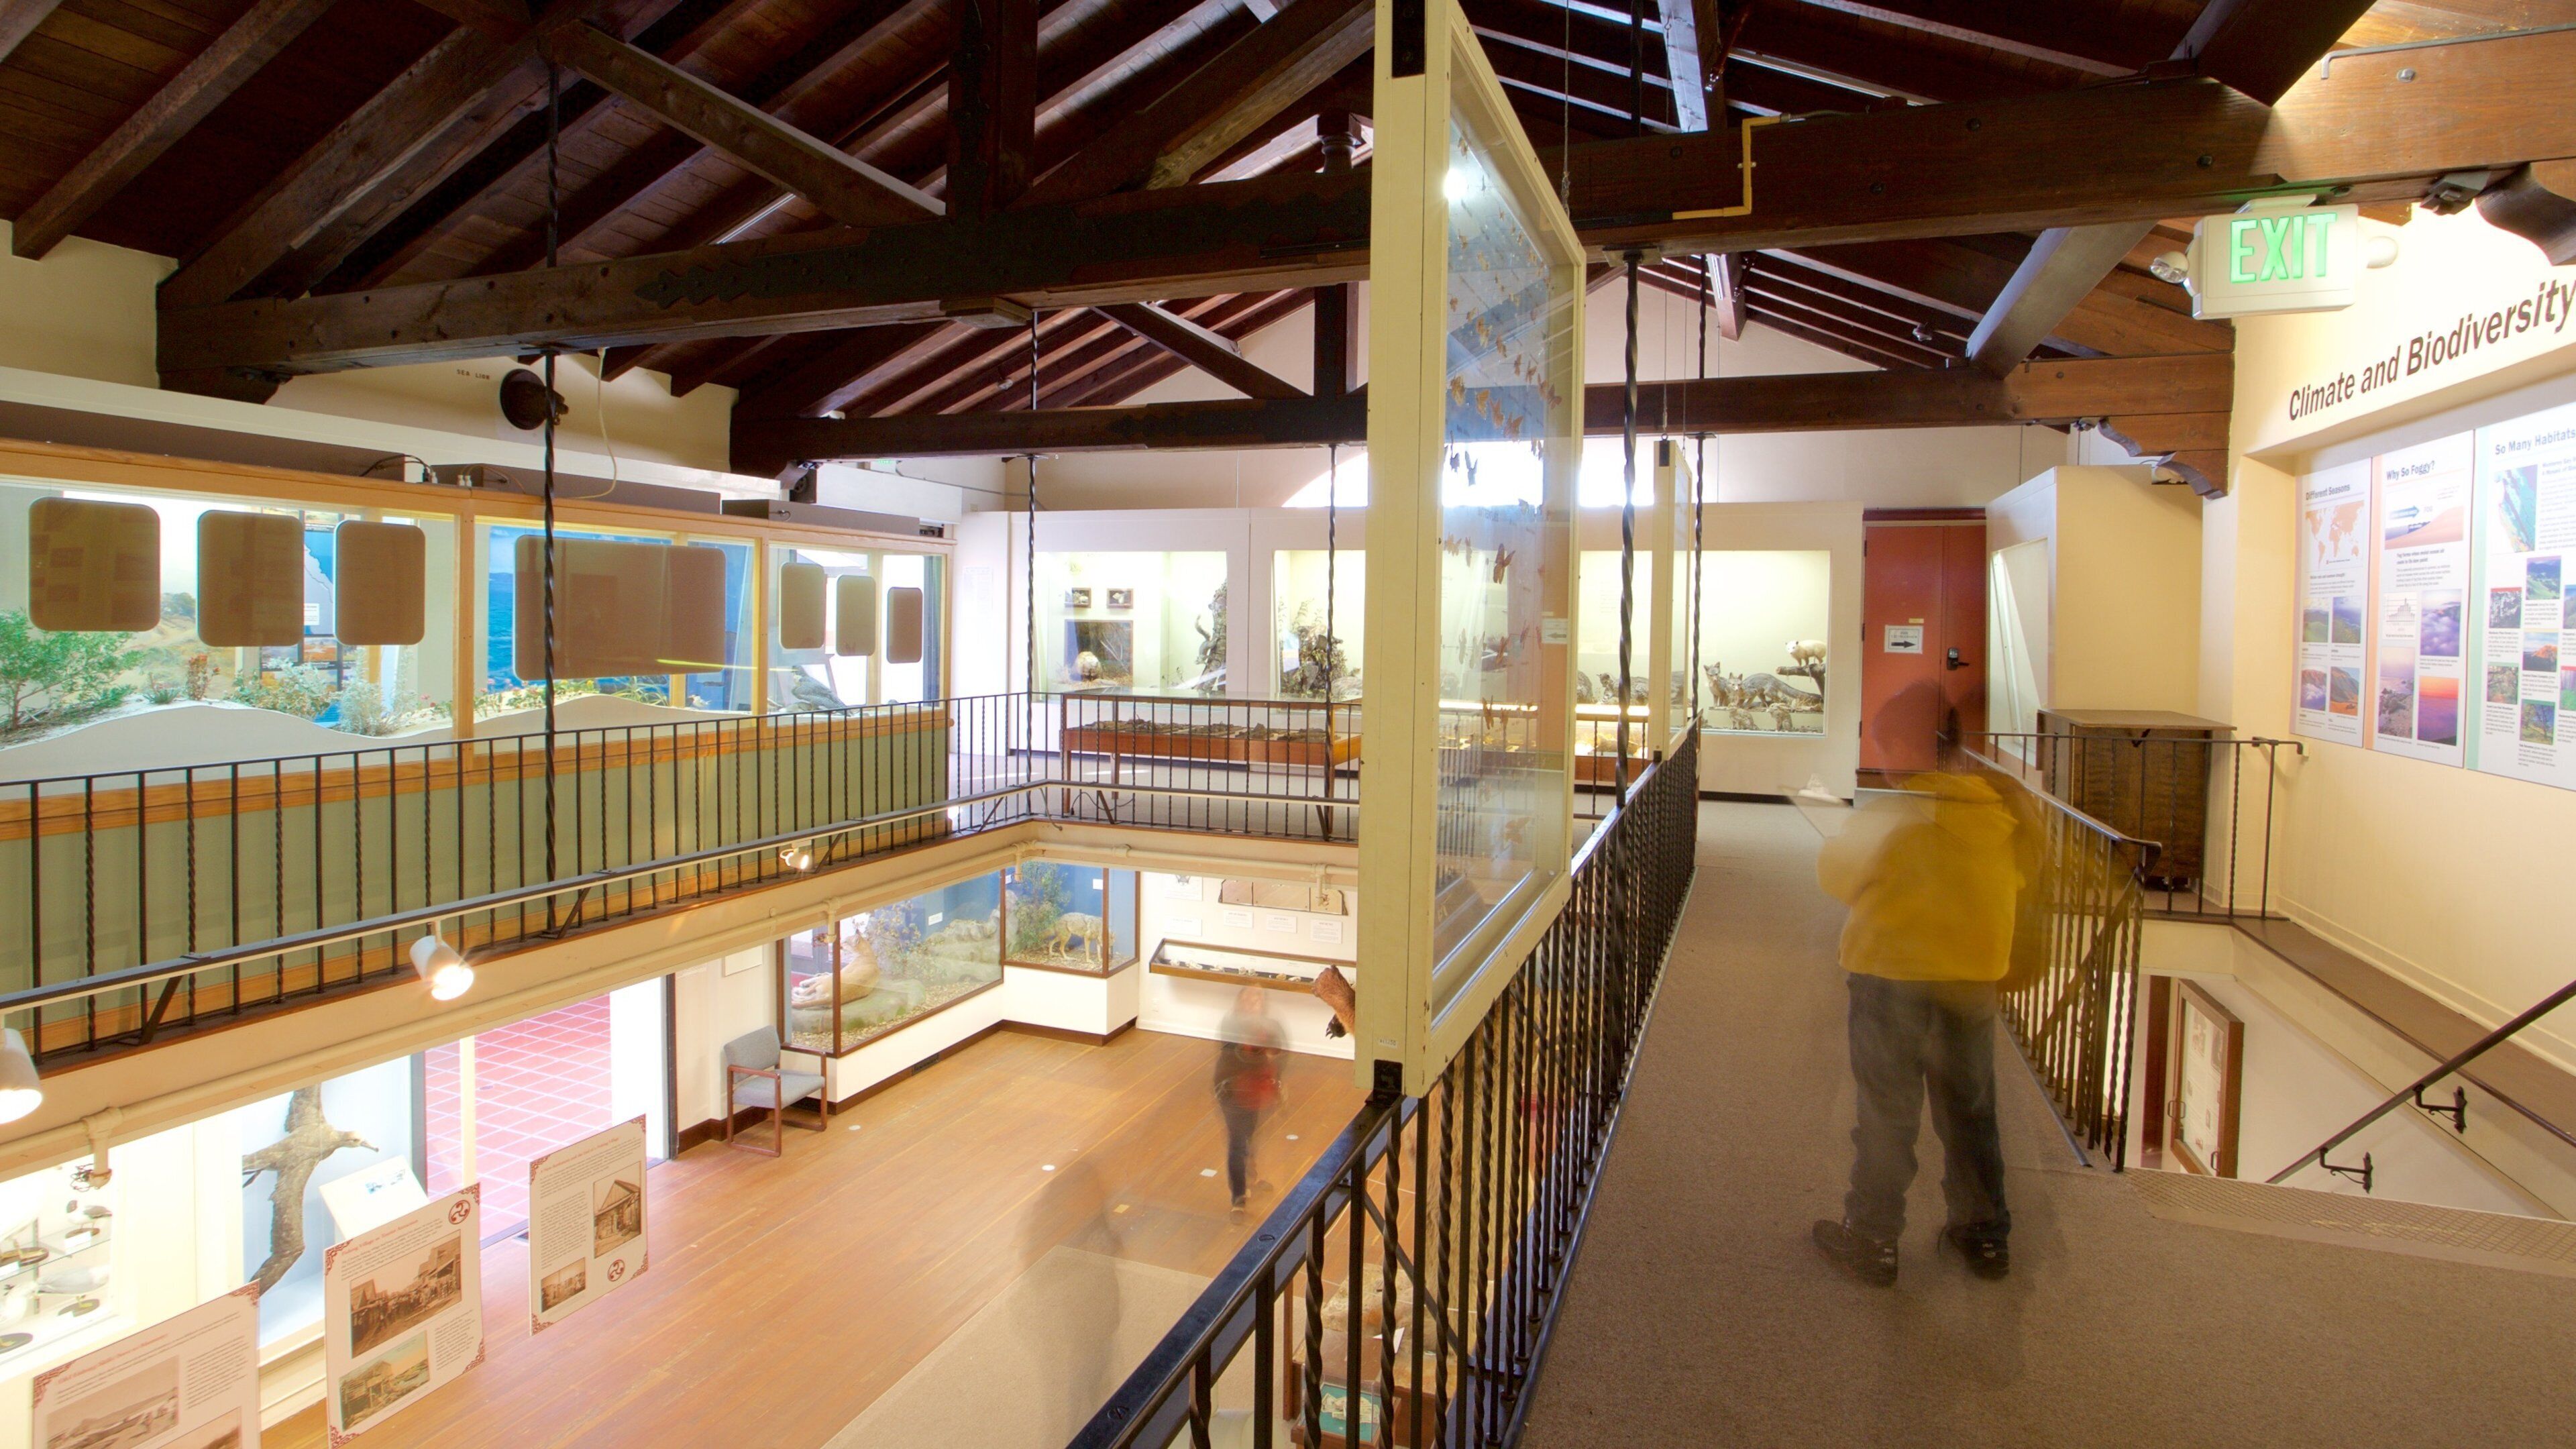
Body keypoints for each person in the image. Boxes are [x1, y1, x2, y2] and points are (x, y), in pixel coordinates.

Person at [1811, 754, 2039, 1286]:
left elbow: (1835, 877)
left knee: (1887, 1110)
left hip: (1890, 975)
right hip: (1971, 981)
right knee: (1971, 1111)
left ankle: (1873, 1237)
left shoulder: (1897, 815)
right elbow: (2021, 886)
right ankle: (1983, 1237)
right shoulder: (2007, 820)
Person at [1213, 986, 1287, 1221]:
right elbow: (1237, 1056)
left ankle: (1250, 1176)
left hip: (1255, 1091)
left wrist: (1275, 1082)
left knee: (1249, 1136)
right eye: (1249, 998)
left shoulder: (1268, 1026)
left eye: (1258, 999)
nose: (1253, 1003)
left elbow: (1279, 1053)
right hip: (1232, 1090)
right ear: (1241, 1001)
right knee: (1237, 1141)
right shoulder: (1232, 1024)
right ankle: (1238, 1198)